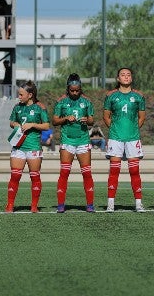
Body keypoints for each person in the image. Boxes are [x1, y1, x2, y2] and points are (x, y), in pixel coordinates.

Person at [103, 67, 146, 212]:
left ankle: (138, 204)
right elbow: (106, 117)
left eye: (128, 75)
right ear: (118, 79)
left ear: (131, 78)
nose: (126, 77)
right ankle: (110, 204)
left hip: (133, 138)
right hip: (115, 138)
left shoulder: (139, 96)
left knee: (134, 171)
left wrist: (132, 130)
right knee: (114, 171)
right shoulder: (111, 96)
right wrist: (116, 129)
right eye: (123, 75)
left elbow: (141, 118)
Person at [52, 73, 96, 213]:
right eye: (72, 90)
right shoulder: (61, 102)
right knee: (64, 172)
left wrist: (86, 120)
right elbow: (54, 121)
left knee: (87, 173)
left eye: (77, 90)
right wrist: (65, 118)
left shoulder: (87, 101)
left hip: (83, 140)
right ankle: (60, 205)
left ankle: (89, 204)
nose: (75, 93)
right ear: (68, 89)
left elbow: (91, 121)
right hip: (67, 141)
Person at [5, 81, 50, 213]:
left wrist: (32, 125)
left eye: (21, 94)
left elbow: (46, 126)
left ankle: (34, 206)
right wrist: (15, 125)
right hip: (18, 147)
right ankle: (10, 205)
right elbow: (11, 122)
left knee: (34, 176)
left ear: (30, 95)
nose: (19, 97)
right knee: (15, 176)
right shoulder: (17, 107)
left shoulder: (40, 107)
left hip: (33, 147)